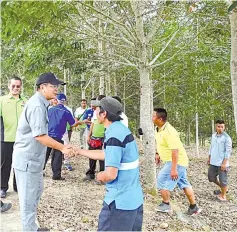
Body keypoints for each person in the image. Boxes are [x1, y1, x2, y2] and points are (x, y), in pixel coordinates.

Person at [12, 72, 75, 232]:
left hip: (34, 161)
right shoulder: (36, 106)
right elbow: (40, 136)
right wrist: (62, 147)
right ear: (42, 87)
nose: (56, 90)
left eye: (57, 86)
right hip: (27, 161)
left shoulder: (43, 104)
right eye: (53, 86)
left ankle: (32, 227)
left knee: (35, 194)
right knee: (27, 203)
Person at [71, 97, 144, 231]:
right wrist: (80, 151)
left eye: (97, 109)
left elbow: (110, 175)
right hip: (134, 199)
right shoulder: (120, 130)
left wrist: (100, 176)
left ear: (103, 114)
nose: (94, 112)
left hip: (120, 203)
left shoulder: (114, 136)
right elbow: (107, 154)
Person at [152, 108, 200, 215]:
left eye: (153, 116)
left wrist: (174, 169)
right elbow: (161, 143)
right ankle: (194, 207)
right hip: (174, 161)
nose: (152, 118)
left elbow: (175, 151)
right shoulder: (158, 128)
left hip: (177, 161)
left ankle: (166, 204)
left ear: (160, 119)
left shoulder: (170, 132)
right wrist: (157, 153)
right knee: (184, 183)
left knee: (161, 179)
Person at [0, 76, 27, 198]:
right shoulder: (2, 100)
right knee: (5, 164)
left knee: (20, 164)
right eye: (13, 86)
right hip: (6, 138)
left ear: (20, 87)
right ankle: (3, 187)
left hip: (22, 139)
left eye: (18, 86)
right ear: (8, 86)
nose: (16, 88)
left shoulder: (25, 101)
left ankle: (18, 187)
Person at [44, 93, 82, 180]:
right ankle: (56, 175)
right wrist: (79, 122)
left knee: (45, 154)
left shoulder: (50, 109)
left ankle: (39, 171)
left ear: (56, 100)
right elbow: (73, 124)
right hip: (58, 137)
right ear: (64, 102)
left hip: (48, 136)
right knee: (57, 156)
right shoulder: (66, 111)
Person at [208, 120, 232, 201]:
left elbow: (228, 152)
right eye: (219, 126)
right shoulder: (213, 135)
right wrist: (209, 157)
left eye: (222, 127)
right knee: (211, 177)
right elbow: (211, 147)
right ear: (216, 126)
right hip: (213, 161)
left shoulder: (227, 138)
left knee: (223, 180)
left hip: (222, 163)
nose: (220, 128)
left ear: (224, 127)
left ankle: (223, 196)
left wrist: (224, 163)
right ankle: (224, 188)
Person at [83, 95, 106, 181]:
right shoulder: (96, 111)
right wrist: (89, 135)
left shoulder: (107, 111)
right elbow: (93, 123)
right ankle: (91, 173)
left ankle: (102, 175)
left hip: (103, 137)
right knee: (92, 155)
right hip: (94, 137)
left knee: (102, 157)